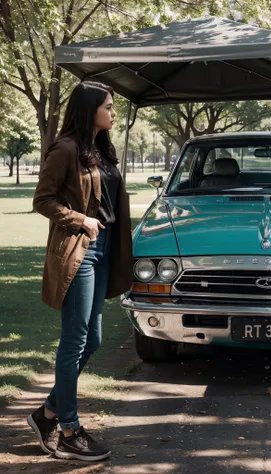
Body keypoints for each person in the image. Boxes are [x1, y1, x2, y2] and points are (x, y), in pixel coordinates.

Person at [28, 81, 133, 461]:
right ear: (90, 109)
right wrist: (80, 220)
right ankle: (69, 428)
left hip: (104, 250)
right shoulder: (65, 149)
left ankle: (47, 413)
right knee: (75, 340)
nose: (113, 112)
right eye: (108, 106)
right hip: (79, 250)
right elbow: (43, 199)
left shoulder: (100, 150)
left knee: (93, 341)